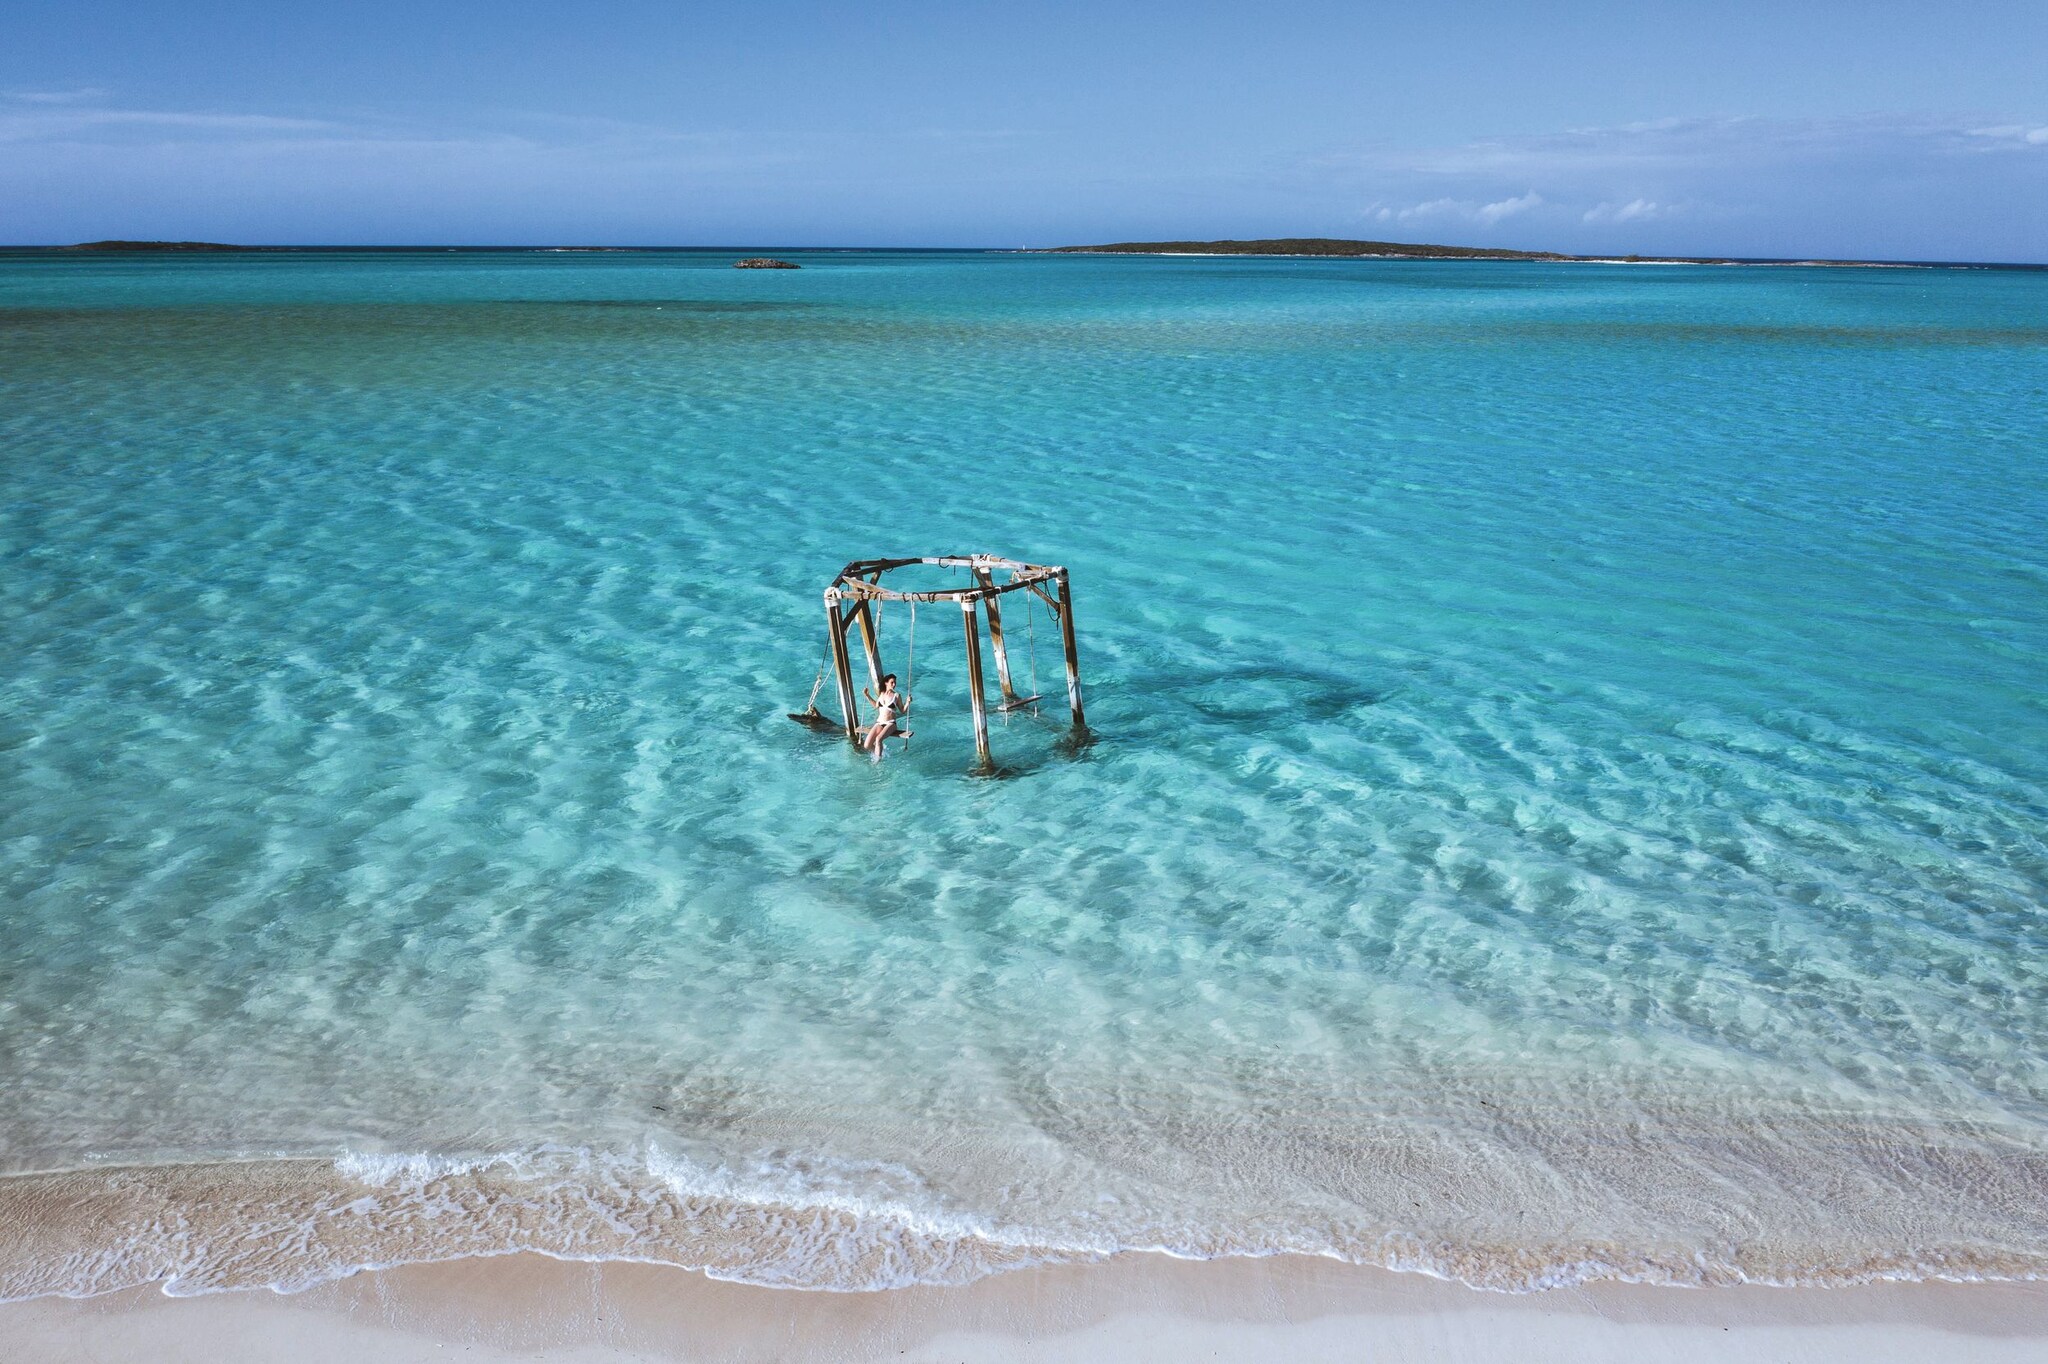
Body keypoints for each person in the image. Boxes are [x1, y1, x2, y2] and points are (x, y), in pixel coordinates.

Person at [861, 674, 910, 756]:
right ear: (886, 683)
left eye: (895, 683)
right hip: (879, 723)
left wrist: (908, 702)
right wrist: (867, 695)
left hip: (891, 723)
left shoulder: (896, 696)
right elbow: (876, 706)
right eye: (892, 682)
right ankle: (880, 753)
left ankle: (877, 763)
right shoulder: (881, 694)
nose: (894, 684)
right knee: (867, 745)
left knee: (878, 739)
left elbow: (902, 710)